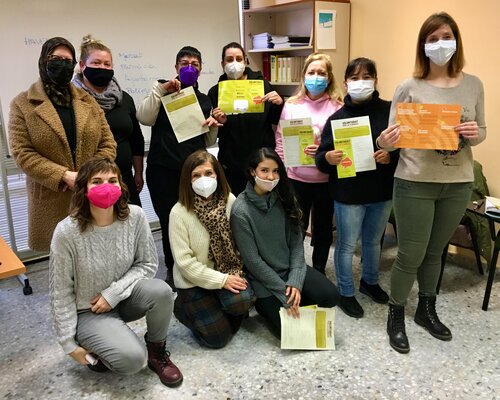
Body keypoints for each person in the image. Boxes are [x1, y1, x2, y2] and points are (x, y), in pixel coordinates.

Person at [377, 12, 486, 353]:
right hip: (414, 181)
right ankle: (396, 313)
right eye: (433, 38)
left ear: (457, 41)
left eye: (446, 37)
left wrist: (475, 132)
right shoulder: (408, 87)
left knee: (436, 251)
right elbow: (389, 140)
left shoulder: (474, 84)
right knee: (410, 253)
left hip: (457, 183)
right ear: (423, 45)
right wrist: (385, 141)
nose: (440, 44)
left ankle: (426, 309)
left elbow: (481, 131)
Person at [49, 157, 183, 387]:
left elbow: (147, 264)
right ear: (83, 189)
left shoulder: (135, 216)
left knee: (161, 290)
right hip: (89, 311)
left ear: (121, 186)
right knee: (133, 360)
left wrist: (112, 294)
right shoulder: (66, 232)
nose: (106, 186)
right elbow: (60, 291)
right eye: (96, 181)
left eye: (113, 180)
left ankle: (157, 352)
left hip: (123, 299)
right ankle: (99, 340)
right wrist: (68, 344)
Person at [8, 37, 116, 252]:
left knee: (97, 254)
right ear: (43, 60)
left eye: (68, 60)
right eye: (56, 58)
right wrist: (63, 175)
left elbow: (108, 143)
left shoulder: (87, 100)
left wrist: (88, 175)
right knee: (61, 259)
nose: (62, 64)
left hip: (90, 193)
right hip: (51, 199)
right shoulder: (22, 104)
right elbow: (22, 153)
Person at [316, 57, 398, 319]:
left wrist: (390, 156)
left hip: (381, 191)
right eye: (354, 78)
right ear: (345, 83)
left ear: (376, 80)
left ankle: (370, 282)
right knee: (347, 245)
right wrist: (328, 158)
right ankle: (346, 291)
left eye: (366, 77)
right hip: (348, 194)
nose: (360, 82)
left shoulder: (390, 112)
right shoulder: (336, 118)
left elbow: (404, 149)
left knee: (373, 241)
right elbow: (321, 158)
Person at [136, 46, 222, 289]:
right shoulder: (162, 89)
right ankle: (173, 270)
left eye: (195, 64)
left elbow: (208, 141)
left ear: (201, 69)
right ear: (176, 67)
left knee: (196, 220)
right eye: (184, 63)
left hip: (193, 173)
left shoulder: (204, 100)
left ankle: (198, 266)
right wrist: (160, 90)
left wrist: (213, 124)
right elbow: (144, 118)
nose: (189, 68)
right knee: (168, 222)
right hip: (162, 171)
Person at [231, 148, 339, 337]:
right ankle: (267, 306)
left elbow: (297, 243)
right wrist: (284, 291)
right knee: (289, 332)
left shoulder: (285, 197)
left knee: (330, 296)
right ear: (252, 171)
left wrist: (295, 281)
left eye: (275, 171)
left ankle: (297, 298)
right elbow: (253, 262)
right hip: (264, 280)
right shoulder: (240, 211)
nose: (271, 177)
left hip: (290, 268)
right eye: (264, 170)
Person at [169, 150, 254, 348]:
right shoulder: (178, 213)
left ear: (218, 175)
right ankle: (183, 308)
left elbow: (241, 241)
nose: (203, 179)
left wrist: (233, 272)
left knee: (242, 303)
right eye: (196, 175)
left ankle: (216, 306)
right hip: (193, 282)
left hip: (228, 270)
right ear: (188, 180)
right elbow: (184, 263)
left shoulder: (230, 200)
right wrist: (221, 280)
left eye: (208, 173)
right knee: (218, 340)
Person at [275, 52, 343, 274]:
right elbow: (280, 141)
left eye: (321, 73)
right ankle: (296, 269)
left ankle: (319, 270)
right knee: (297, 227)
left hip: (326, 179)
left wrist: (323, 151)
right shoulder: (291, 105)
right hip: (296, 178)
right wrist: (282, 174)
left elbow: (343, 144)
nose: (316, 77)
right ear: (304, 76)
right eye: (311, 72)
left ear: (329, 77)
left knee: (323, 229)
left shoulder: (337, 106)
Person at [72, 34, 145, 206]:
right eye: (96, 63)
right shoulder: (73, 100)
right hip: (91, 182)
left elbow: (136, 140)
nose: (102, 68)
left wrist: (138, 172)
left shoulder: (124, 98)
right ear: (82, 65)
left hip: (124, 179)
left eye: (107, 64)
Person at [208, 42, 284, 195]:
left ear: (245, 61)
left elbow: (275, 120)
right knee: (236, 206)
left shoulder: (262, 86)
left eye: (239, 59)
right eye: (229, 59)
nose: (234, 63)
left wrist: (279, 104)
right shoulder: (216, 92)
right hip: (232, 166)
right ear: (222, 64)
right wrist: (220, 122)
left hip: (262, 163)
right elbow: (216, 133)